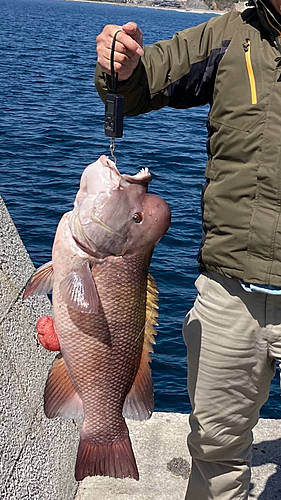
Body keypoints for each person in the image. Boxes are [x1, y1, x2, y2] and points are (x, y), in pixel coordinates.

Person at [95, 1, 281, 498]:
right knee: (216, 456)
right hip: (229, 292)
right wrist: (121, 65)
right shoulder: (232, 35)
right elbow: (141, 83)